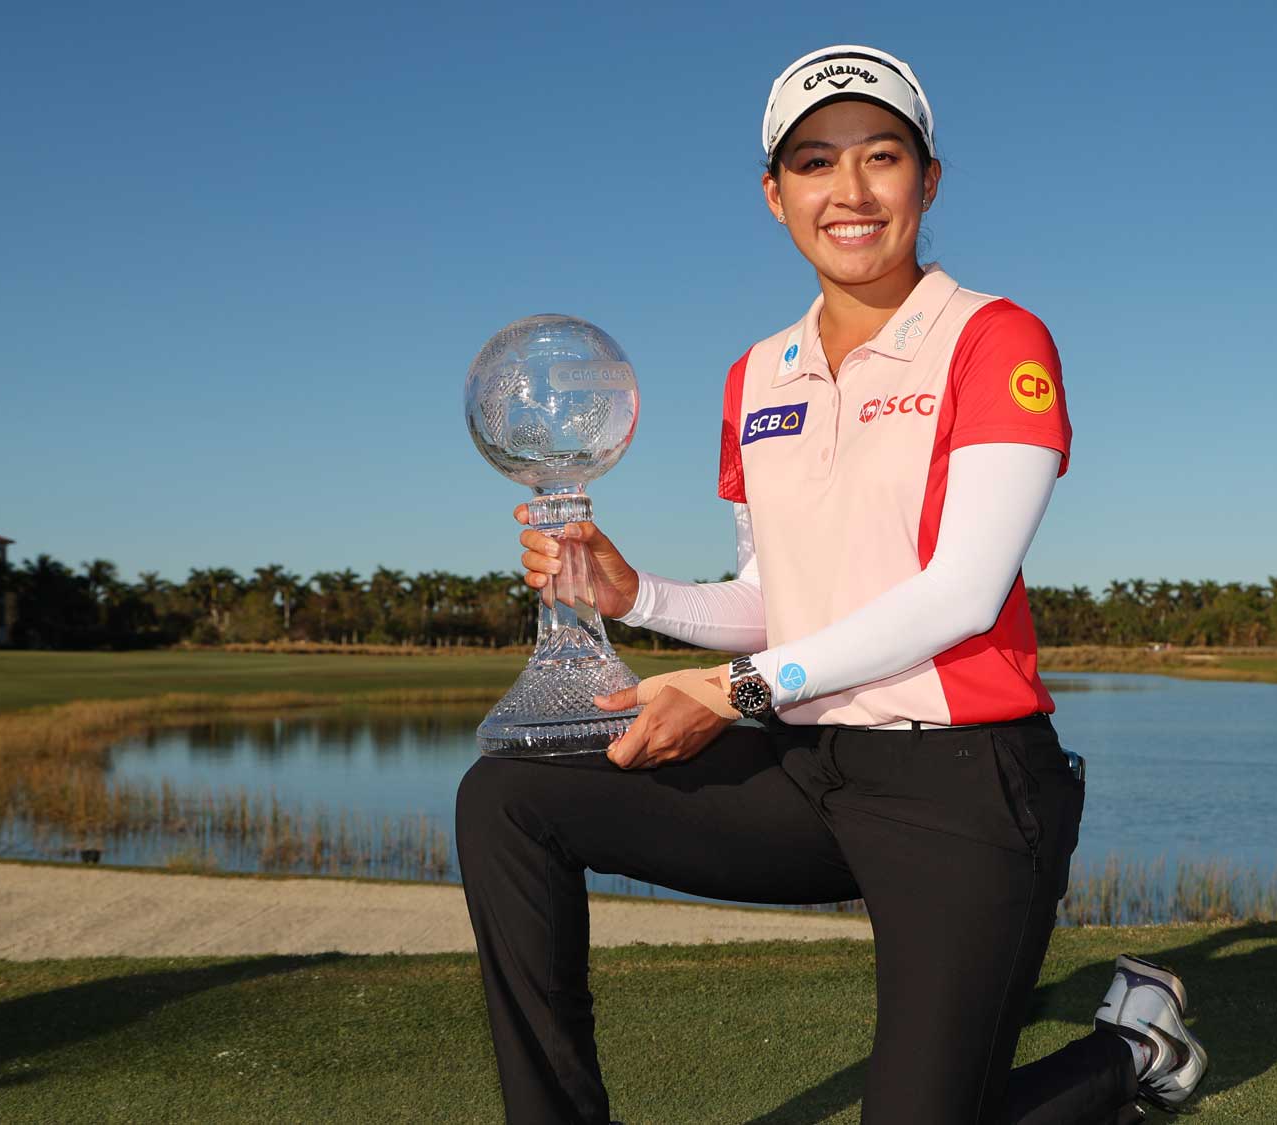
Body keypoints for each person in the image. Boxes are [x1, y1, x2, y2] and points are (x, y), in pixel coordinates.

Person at [457, 44, 1207, 1125]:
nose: (848, 193)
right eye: (813, 163)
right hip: (811, 770)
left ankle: (1129, 1053)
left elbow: (958, 592)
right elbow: (772, 597)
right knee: (509, 798)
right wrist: (635, 596)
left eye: (880, 157)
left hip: (966, 786)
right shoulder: (756, 373)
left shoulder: (994, 339)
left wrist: (732, 694)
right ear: (775, 196)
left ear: (927, 181)